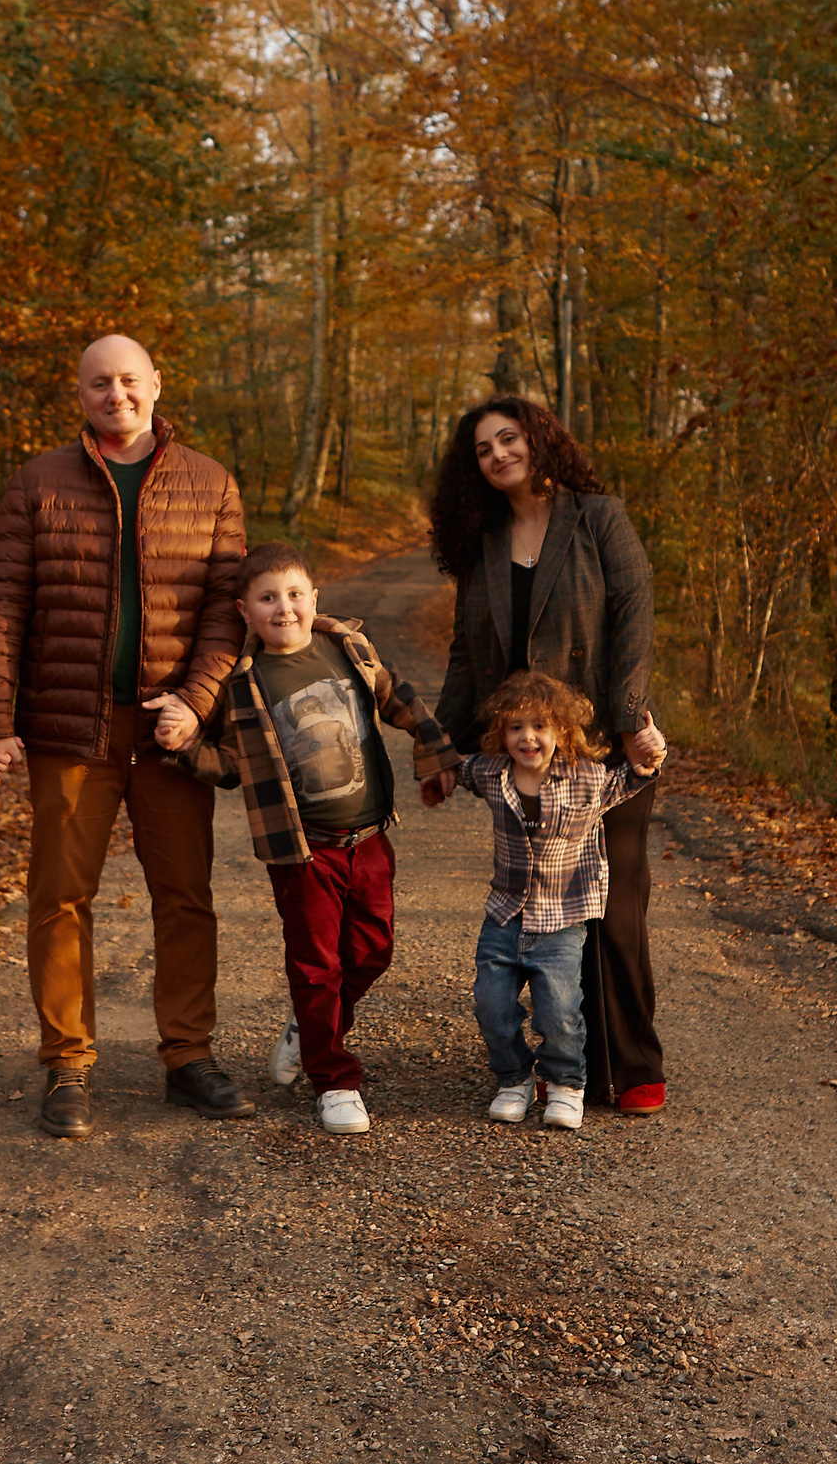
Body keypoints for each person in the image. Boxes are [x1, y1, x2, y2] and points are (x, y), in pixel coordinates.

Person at [0, 335, 252, 1138]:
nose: (115, 393)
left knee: (186, 897)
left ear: (157, 385)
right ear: (80, 393)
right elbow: (2, 606)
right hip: (68, 727)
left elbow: (227, 611)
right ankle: (67, 1063)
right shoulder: (37, 483)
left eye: (129, 380)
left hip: (169, 731)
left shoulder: (211, 482)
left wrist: (197, 701)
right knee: (59, 898)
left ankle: (188, 1057)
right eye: (99, 382)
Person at [152, 542, 459, 1136]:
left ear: (315, 598)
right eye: (268, 598)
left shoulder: (345, 647)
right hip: (303, 850)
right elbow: (230, 766)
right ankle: (334, 1079)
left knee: (372, 952)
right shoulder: (243, 682)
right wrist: (183, 747)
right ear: (245, 610)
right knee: (316, 965)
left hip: (369, 838)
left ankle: (311, 1025)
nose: (283, 608)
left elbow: (398, 697)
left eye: (294, 595)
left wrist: (434, 754)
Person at [430, 397, 670, 1114]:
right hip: (525, 756)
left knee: (616, 905)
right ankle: (570, 1070)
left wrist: (629, 719)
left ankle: (631, 1065)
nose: (499, 453)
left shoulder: (598, 516)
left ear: (538, 440)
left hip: (599, 747)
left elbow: (635, 609)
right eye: (483, 448)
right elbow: (467, 652)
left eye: (509, 438)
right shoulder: (482, 540)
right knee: (544, 909)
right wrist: (440, 746)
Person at [455, 672, 660, 1130]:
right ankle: (513, 1080)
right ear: (501, 734)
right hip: (505, 914)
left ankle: (566, 1083)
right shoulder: (490, 773)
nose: (528, 737)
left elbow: (631, 779)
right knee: (490, 1003)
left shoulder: (587, 778)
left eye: (541, 726)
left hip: (562, 918)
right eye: (515, 727)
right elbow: (454, 767)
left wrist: (649, 756)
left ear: (563, 733)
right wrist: (431, 766)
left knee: (560, 1009)